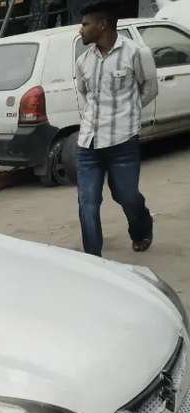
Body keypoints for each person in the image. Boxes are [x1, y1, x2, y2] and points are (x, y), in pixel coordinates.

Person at [75, 1, 158, 255]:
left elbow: (149, 89)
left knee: (126, 196)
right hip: (88, 144)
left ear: (102, 24)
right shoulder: (83, 61)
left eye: (85, 24)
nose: (81, 29)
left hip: (123, 142)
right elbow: (84, 93)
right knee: (87, 203)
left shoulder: (136, 53)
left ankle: (142, 227)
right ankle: (94, 259)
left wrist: (127, 113)